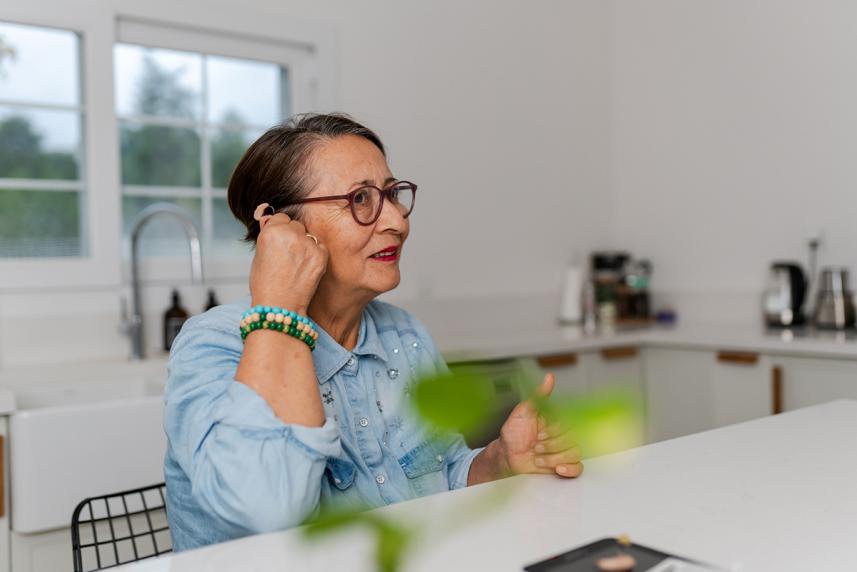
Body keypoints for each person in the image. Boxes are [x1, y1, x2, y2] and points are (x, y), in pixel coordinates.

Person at [163, 113, 582, 552]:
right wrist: (280, 306)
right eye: (361, 199)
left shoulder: (404, 335)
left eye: (392, 194)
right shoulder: (213, 344)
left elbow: (443, 476)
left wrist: (499, 460)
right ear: (280, 228)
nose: (398, 221)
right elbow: (268, 510)